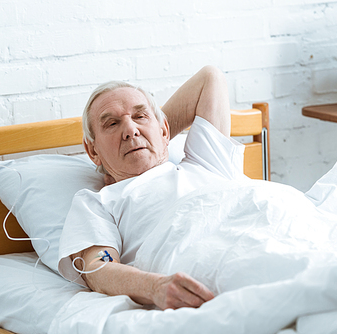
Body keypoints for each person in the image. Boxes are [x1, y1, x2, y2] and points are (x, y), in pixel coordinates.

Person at [58, 65, 249, 310]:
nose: (130, 129)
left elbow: (211, 77)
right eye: (112, 124)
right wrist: (155, 287)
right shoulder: (98, 203)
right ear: (93, 151)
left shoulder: (207, 162)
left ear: (165, 129)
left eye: (140, 116)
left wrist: (156, 138)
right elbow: (98, 268)